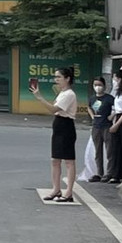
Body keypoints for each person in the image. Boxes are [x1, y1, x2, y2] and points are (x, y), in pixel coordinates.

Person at [28, 66, 78, 201]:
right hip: (59, 126)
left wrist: (39, 97)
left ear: (67, 78)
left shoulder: (69, 94)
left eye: (59, 77)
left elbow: (53, 109)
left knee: (69, 161)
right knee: (55, 160)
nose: (56, 80)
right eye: (55, 77)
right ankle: (56, 189)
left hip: (66, 126)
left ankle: (68, 192)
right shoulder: (62, 92)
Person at [86, 75, 114, 183]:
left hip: (107, 126)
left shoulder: (109, 98)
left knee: (110, 150)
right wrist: (92, 115)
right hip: (96, 127)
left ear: (104, 86)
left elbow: (117, 108)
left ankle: (109, 172)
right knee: (98, 151)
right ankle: (99, 173)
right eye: (95, 85)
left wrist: (111, 116)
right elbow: (89, 106)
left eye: (100, 85)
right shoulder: (92, 98)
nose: (98, 87)